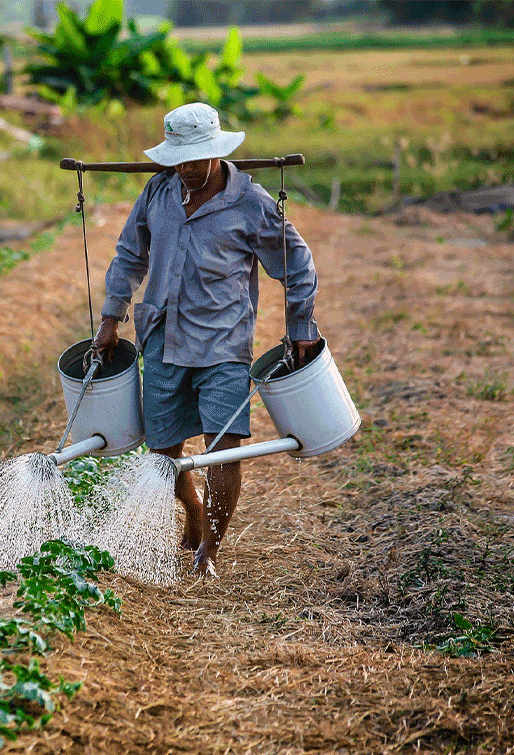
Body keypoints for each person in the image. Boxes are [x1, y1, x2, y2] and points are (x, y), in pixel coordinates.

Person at [92, 102, 321, 578]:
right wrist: (111, 317)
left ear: (217, 153)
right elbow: (129, 255)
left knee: (224, 446)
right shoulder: (157, 192)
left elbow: (297, 265)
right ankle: (193, 509)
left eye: (196, 161)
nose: (188, 171)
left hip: (223, 343)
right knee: (164, 451)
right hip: (161, 338)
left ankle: (207, 553)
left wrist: (300, 327)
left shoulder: (250, 203)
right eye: (179, 161)